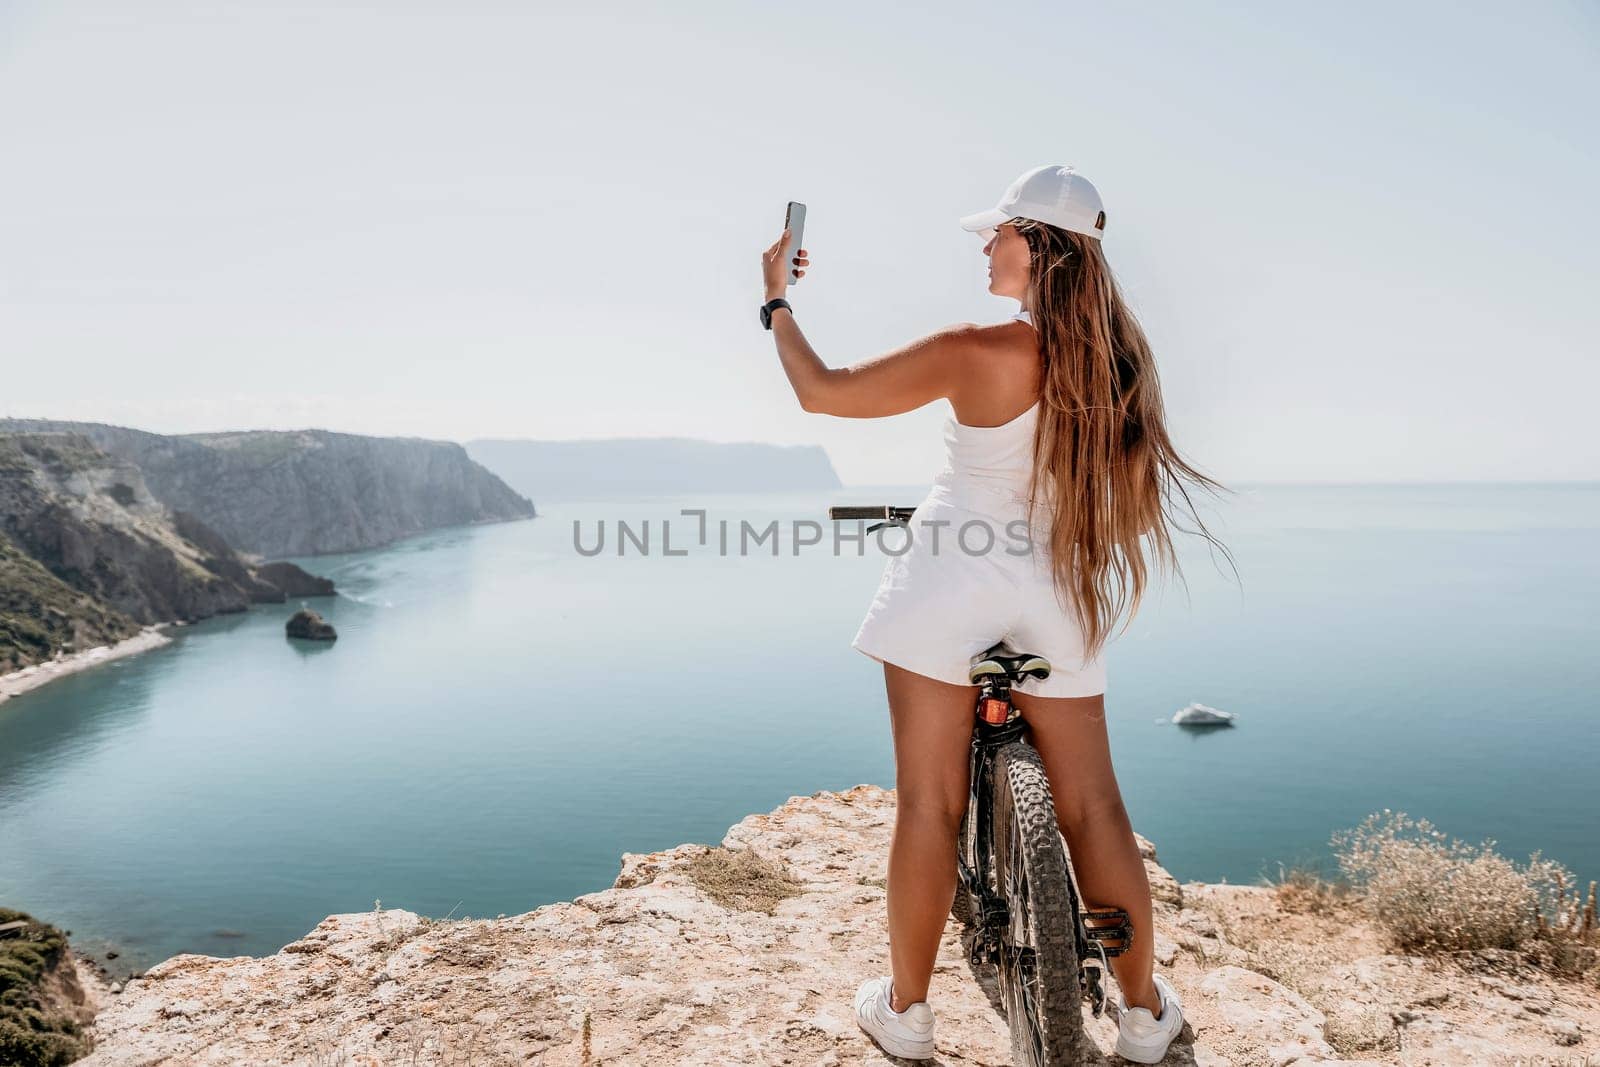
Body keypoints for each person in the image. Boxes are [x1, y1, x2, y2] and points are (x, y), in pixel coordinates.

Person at [759, 163, 1232, 1063]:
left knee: (928, 803)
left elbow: (821, 390)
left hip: (948, 578)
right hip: (1059, 587)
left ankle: (905, 1013)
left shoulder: (979, 349)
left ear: (1041, 248)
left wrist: (775, 301)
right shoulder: (1122, 369)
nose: (986, 243)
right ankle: (1140, 1019)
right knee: (1093, 805)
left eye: (1000, 231)